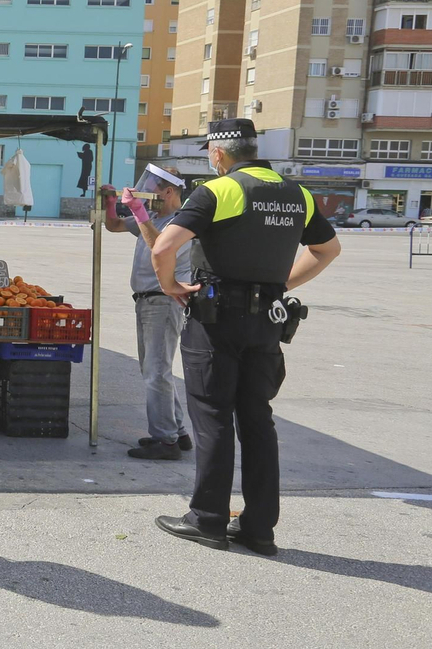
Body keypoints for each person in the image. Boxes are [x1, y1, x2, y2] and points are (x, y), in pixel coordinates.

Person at [150, 119, 341, 555]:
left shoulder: (221, 191)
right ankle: (258, 529)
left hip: (218, 322)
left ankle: (208, 520)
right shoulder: (298, 194)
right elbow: (328, 250)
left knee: (213, 414)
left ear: (218, 154)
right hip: (268, 323)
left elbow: (164, 247)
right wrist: (279, 286)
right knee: (258, 420)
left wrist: (170, 286)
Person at [100, 165, 194, 461]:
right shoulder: (153, 217)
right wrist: (111, 204)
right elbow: (114, 226)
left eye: (152, 186)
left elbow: (160, 248)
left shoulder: (180, 222)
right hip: (146, 300)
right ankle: (177, 432)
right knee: (156, 370)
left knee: (155, 371)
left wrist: (139, 212)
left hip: (163, 301)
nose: (145, 191)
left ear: (169, 191)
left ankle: (165, 441)